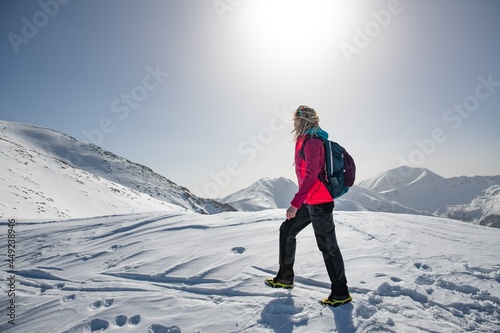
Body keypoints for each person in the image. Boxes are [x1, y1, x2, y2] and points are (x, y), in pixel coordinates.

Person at [265, 105, 351, 307]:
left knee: (328, 247)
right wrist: (301, 201)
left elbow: (312, 175)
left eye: (296, 119)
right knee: (287, 230)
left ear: (302, 120)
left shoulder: (313, 142)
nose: (293, 122)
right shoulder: (304, 140)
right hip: (309, 201)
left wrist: (295, 203)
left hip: (320, 202)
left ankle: (341, 292)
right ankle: (285, 277)